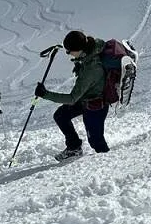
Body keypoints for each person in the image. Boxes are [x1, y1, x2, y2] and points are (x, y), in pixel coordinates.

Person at [36, 31, 111, 161]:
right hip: (86, 98)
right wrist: (80, 65)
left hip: (96, 105)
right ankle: (74, 147)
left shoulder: (91, 69)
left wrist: (45, 94)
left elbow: (72, 99)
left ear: (79, 48)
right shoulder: (91, 50)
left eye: (69, 51)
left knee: (96, 142)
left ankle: (107, 162)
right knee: (61, 115)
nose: (68, 53)